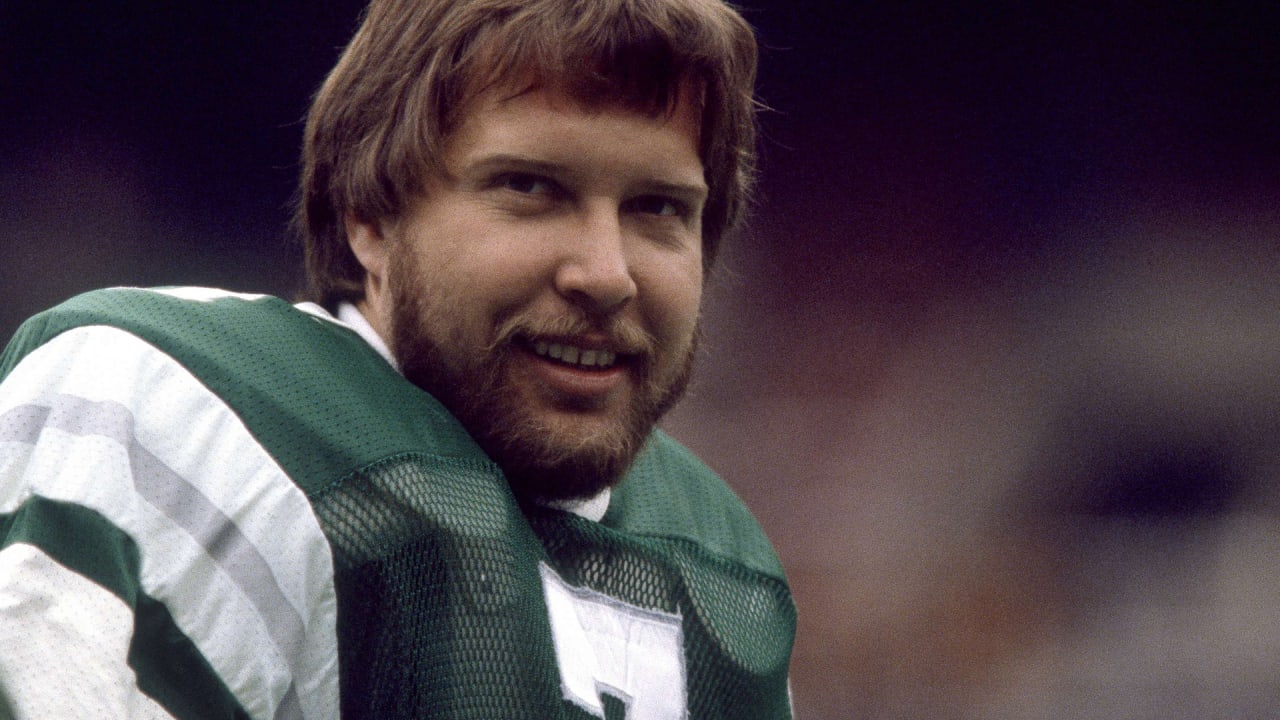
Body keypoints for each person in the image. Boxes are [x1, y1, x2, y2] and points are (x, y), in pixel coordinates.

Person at [0, 0, 796, 718]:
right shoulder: (180, 405)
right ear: (370, 217)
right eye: (530, 187)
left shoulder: (723, 568)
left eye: (658, 208)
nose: (605, 273)